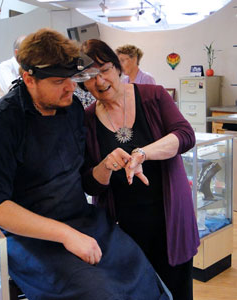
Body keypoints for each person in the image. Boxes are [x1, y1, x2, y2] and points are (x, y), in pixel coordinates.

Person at [0, 28, 171, 300]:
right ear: (28, 78)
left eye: (71, 78)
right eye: (57, 81)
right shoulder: (3, 121)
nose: (71, 87)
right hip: (32, 238)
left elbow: (83, 177)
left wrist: (107, 166)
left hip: (83, 221)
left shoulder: (72, 109)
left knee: (143, 276)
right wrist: (65, 235)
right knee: (100, 292)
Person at [79, 39, 200, 300]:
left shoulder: (153, 96)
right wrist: (106, 165)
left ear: (118, 68)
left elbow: (185, 135)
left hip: (169, 221)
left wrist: (142, 153)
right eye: (89, 76)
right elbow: (89, 183)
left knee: (176, 290)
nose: (99, 81)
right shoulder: (86, 120)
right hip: (121, 229)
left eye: (104, 70)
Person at [0, 35, 26, 101]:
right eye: (28, 51)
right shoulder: (4, 68)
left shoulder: (28, 68)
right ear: (17, 52)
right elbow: (14, 93)